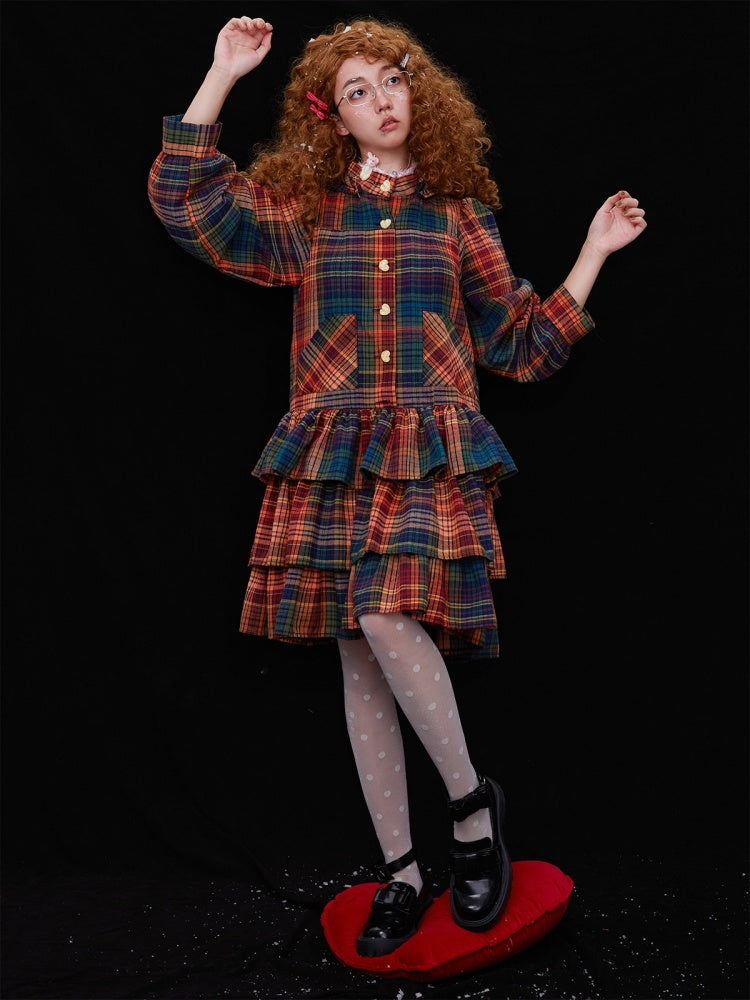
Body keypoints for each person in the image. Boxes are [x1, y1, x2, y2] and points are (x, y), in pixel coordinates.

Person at [147, 14, 647, 958]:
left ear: (419, 92)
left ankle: (471, 811)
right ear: (331, 117)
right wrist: (222, 73)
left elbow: (520, 347)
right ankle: (402, 872)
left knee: (384, 616)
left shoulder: (460, 215)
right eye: (356, 91)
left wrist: (592, 255)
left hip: (429, 448)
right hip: (332, 451)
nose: (381, 101)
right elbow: (188, 202)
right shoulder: (309, 210)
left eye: (391, 80)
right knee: (360, 661)